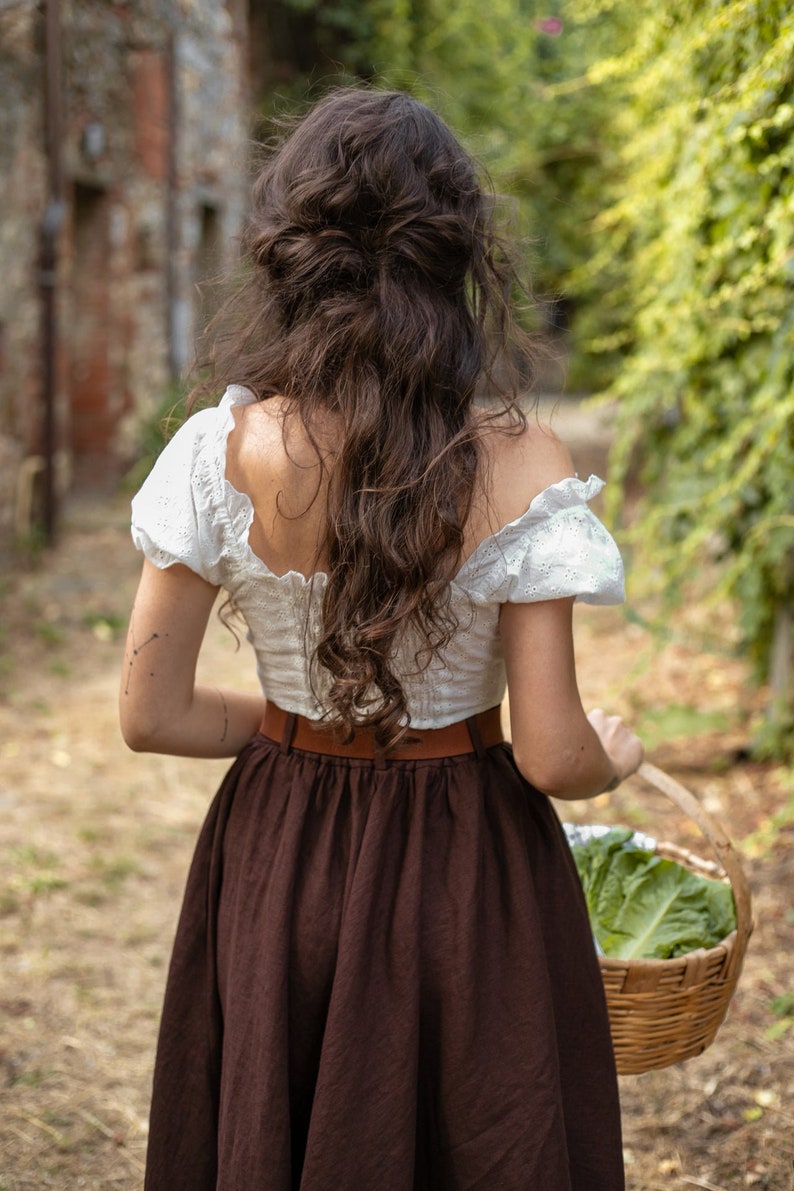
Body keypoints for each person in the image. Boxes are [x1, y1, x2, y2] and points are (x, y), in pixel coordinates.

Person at [120, 86, 643, 1191]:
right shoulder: (522, 462)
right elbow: (552, 757)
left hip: (277, 846)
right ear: (455, 253)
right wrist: (618, 752)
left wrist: (289, 723)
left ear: (290, 250)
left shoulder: (214, 451)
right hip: (468, 866)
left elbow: (150, 714)